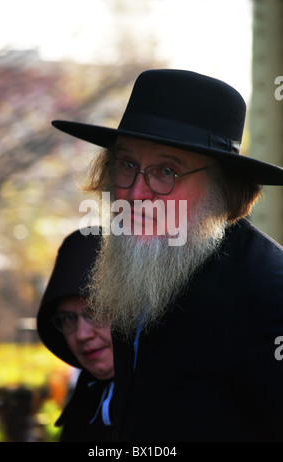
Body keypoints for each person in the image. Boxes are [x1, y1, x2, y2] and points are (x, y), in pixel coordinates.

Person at [51, 69, 283, 442]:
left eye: (166, 171)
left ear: (223, 189)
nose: (136, 192)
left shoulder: (270, 295)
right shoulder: (136, 272)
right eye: (127, 164)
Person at [37, 230, 114, 442]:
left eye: (96, 311)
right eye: (68, 319)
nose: (81, 335)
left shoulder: (172, 402)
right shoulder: (82, 406)